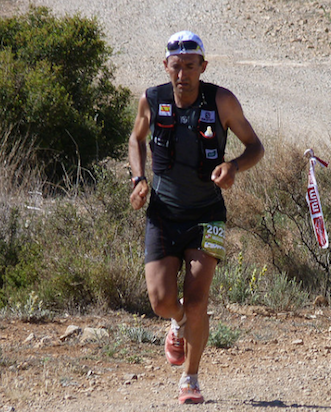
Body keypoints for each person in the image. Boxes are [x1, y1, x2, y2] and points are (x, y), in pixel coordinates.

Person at [128, 30, 264, 404]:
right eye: (177, 67)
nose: (183, 74)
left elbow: (256, 146)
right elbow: (136, 139)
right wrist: (139, 179)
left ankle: (191, 378)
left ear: (203, 66)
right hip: (162, 213)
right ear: (166, 66)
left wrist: (233, 166)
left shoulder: (221, 101)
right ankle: (178, 323)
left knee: (198, 298)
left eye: (191, 66)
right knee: (160, 301)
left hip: (208, 216)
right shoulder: (151, 99)